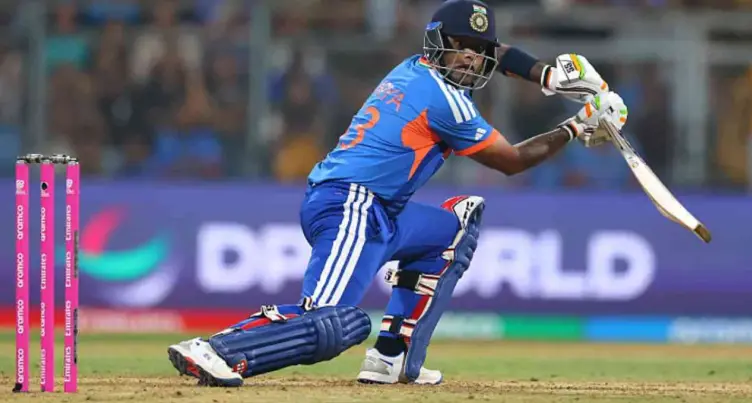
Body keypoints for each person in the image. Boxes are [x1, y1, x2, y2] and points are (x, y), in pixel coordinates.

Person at [166, 0, 628, 387]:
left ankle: (391, 357)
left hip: (383, 211)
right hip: (350, 205)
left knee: (454, 231)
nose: (470, 58)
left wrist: (549, 77)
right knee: (333, 323)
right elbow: (511, 161)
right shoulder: (446, 102)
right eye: (461, 47)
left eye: (478, 51)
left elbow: (500, 52)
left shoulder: (414, 68)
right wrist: (579, 124)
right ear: (439, 45)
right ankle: (218, 349)